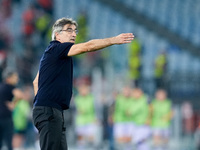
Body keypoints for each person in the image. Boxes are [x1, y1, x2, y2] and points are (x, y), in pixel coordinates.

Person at [32, 17, 134, 150]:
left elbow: (36, 82)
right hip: (49, 111)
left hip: (51, 110)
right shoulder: (57, 48)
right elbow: (87, 47)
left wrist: (39, 106)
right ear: (57, 34)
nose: (74, 34)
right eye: (69, 30)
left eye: (75, 31)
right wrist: (113, 40)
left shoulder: (51, 54)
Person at [0, 69, 23, 150]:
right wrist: (13, 104)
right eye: (15, 77)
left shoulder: (1, 86)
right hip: (6, 118)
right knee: (9, 142)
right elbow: (20, 95)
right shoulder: (10, 87)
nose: (17, 79)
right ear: (8, 78)